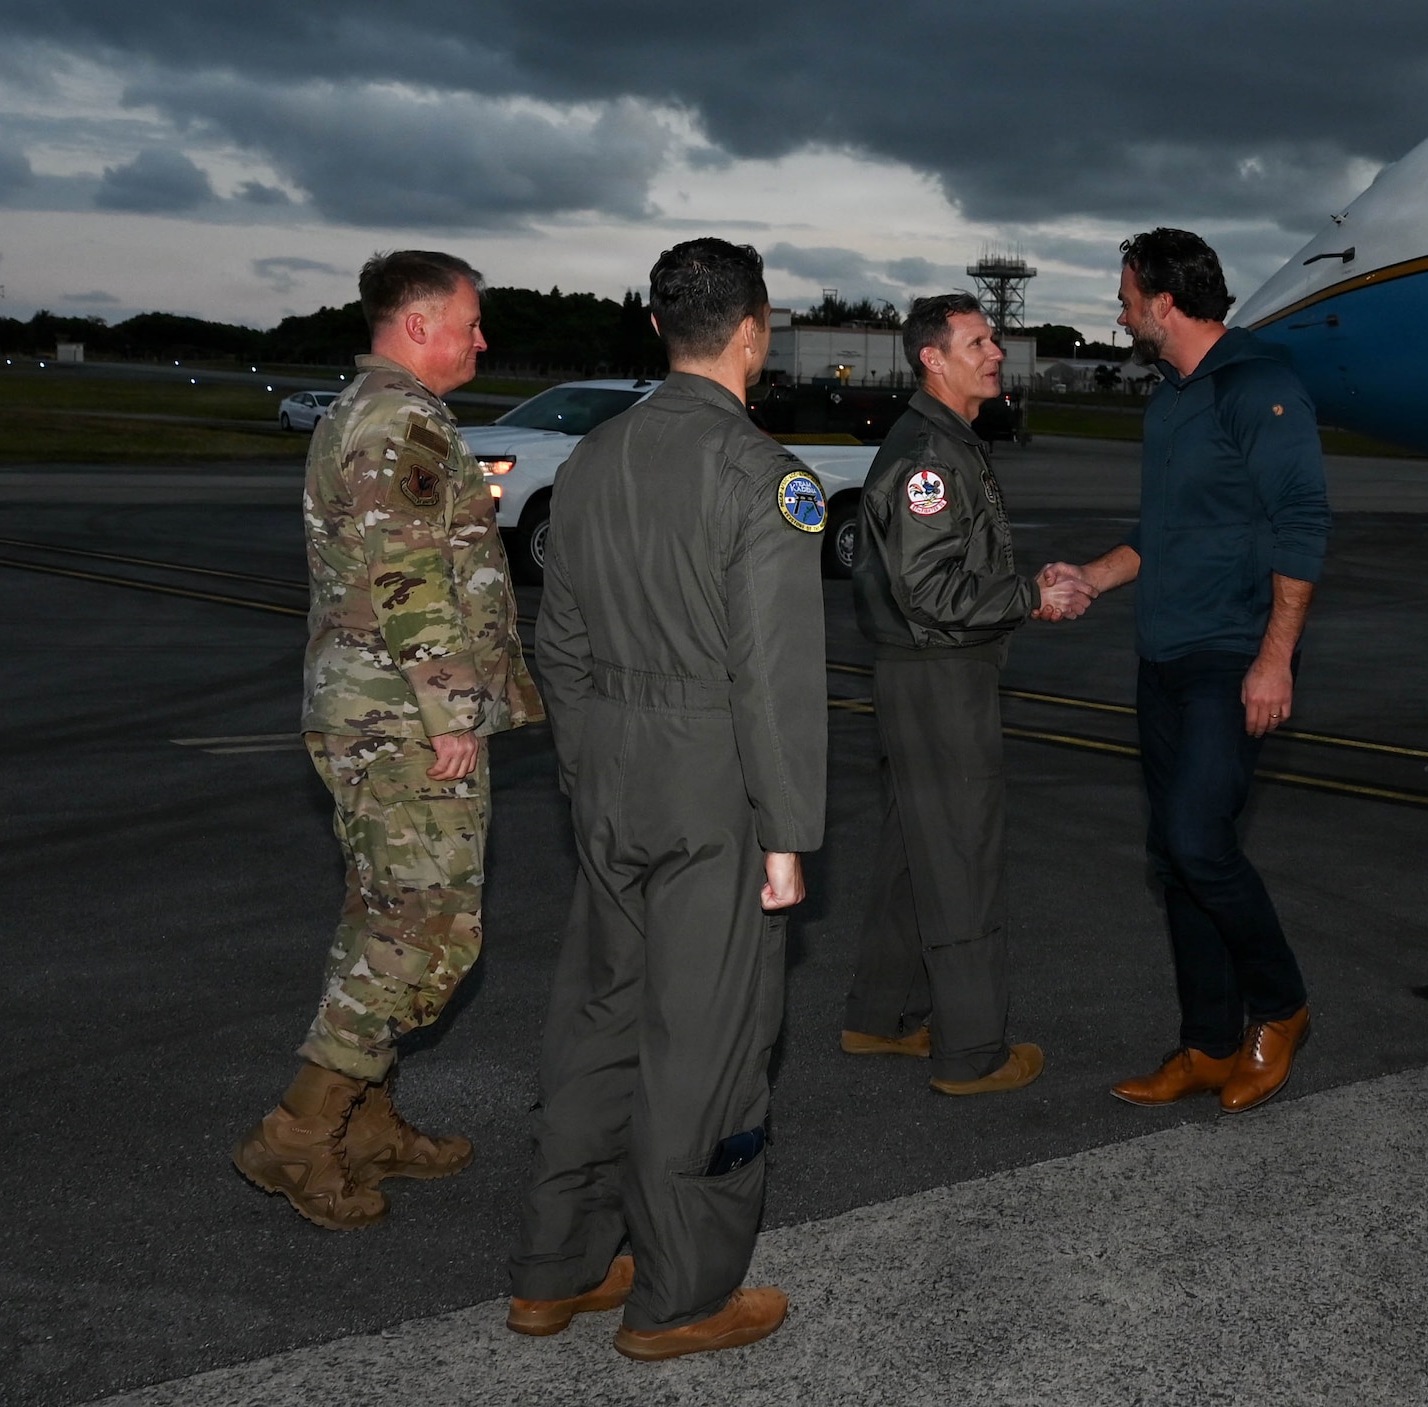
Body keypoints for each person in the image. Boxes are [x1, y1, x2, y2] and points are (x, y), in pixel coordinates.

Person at [506, 239, 826, 1361]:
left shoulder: (589, 460)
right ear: (756, 330)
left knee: (598, 1018)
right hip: (714, 782)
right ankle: (682, 1295)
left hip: (610, 772)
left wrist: (591, 772)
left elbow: (561, 641)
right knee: (709, 1037)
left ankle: (561, 1267)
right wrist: (788, 831)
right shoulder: (761, 476)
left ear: (655, 329)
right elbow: (774, 678)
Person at [234, 250, 542, 1231]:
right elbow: (409, 576)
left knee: (393, 916)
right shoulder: (399, 419)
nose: (480, 339)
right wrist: (450, 710)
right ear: (418, 325)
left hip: (380, 712)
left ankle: (365, 1121)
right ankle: (297, 1133)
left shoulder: (377, 411)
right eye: (469, 321)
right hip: (400, 722)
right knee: (415, 930)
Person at [1042, 228, 1329, 1114]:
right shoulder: (1168, 399)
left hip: (1227, 659)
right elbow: (1162, 537)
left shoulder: (1258, 385)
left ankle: (1280, 1009)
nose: (1120, 310)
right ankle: (1206, 1042)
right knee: (1174, 858)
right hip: (1159, 657)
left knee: (1202, 841)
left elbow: (1303, 526)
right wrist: (1093, 574)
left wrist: (1275, 658)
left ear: (1164, 301)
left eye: (1127, 294)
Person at [842, 293, 1093, 1096]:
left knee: (913, 849)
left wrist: (1026, 586)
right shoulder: (928, 455)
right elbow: (932, 590)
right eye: (979, 341)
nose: (997, 352)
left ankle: (879, 1017)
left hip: (924, 668)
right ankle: (972, 1051)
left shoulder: (947, 439)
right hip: (937, 672)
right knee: (959, 854)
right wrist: (1030, 598)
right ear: (933, 358)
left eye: (995, 339)